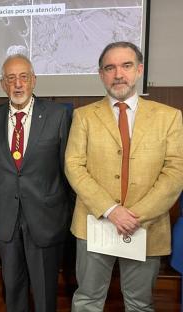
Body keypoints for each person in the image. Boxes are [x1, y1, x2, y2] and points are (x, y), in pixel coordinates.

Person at [65, 41, 183, 311]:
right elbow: (73, 165)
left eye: (126, 65)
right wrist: (111, 210)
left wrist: (134, 215)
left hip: (146, 226)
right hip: (94, 223)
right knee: (87, 301)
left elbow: (175, 172)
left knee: (139, 305)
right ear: (101, 74)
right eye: (110, 67)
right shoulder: (83, 117)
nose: (118, 74)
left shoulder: (169, 117)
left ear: (139, 70)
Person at [0, 54, 72, 312]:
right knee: (12, 288)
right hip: (6, 220)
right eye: (11, 78)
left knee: (45, 293)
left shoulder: (57, 115)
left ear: (34, 81)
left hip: (45, 219)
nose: (17, 84)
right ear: (2, 84)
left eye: (23, 77)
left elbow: (68, 171)